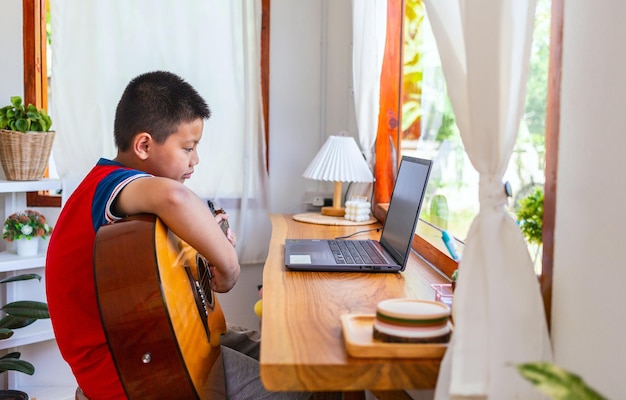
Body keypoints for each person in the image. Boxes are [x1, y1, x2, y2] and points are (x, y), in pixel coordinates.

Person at [46, 71, 309, 400]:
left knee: (300, 360)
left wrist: (205, 241)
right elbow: (175, 198)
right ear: (143, 145)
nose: (195, 159)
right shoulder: (107, 185)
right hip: (129, 368)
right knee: (297, 390)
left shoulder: (130, 204)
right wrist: (228, 266)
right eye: (188, 147)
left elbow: (162, 261)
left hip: (154, 340)